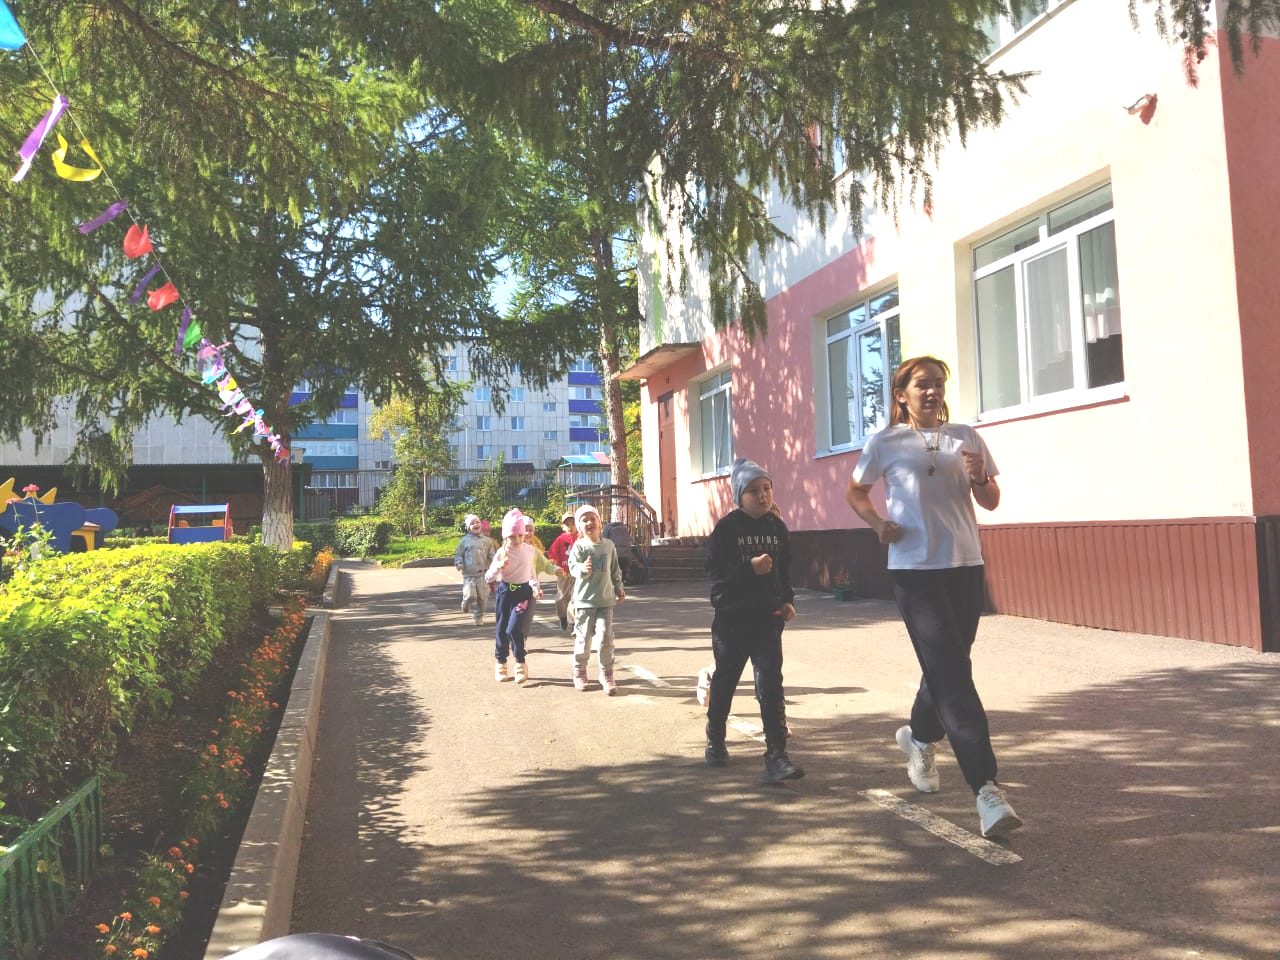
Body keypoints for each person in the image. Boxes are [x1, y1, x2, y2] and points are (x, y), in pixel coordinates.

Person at [845, 354, 1022, 839]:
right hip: (914, 572)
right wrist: (877, 523)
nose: (932, 391)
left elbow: (990, 501)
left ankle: (919, 738)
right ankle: (986, 790)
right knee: (953, 676)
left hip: (965, 566)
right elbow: (856, 491)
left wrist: (980, 475)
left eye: (938, 384)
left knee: (948, 667)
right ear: (901, 394)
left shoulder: (965, 437)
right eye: (922, 384)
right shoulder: (885, 442)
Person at [703, 458, 803, 783]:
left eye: (767, 488)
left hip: (767, 620)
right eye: (754, 491)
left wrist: (787, 600)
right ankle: (715, 739)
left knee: (770, 685)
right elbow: (714, 572)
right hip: (732, 622)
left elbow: (784, 570)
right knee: (725, 682)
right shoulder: (727, 529)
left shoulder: (777, 528)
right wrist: (750, 568)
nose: (762, 496)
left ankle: (777, 756)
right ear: (739, 497)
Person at [567, 504, 625, 694]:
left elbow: (615, 569)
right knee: (583, 639)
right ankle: (579, 671)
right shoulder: (579, 546)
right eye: (584, 520)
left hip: (605, 600)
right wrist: (582, 569)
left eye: (593, 519)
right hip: (584, 601)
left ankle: (607, 674)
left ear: (600, 523)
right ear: (579, 527)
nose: (589, 523)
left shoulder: (608, 545)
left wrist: (619, 587)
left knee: (605, 638)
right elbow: (572, 566)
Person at [485, 508, 543, 684]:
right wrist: (499, 566)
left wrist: (535, 586)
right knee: (502, 630)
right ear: (505, 536)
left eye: (520, 535)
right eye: (512, 536)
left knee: (514, 629)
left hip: (523, 594)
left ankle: (520, 663)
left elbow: (530, 572)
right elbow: (489, 577)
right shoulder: (501, 553)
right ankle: (501, 663)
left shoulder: (529, 550)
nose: (517, 539)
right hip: (505, 593)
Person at [519, 515, 558, 638]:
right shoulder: (511, 549)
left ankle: (521, 641)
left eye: (530, 530)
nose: (528, 533)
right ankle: (512, 638)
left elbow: (546, 565)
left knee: (527, 616)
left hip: (531, 589)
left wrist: (556, 570)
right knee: (515, 616)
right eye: (524, 529)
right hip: (514, 589)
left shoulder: (534, 551)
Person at [453, 514, 496, 627]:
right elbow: (459, 554)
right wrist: (459, 563)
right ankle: (465, 603)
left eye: (477, 522)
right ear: (468, 527)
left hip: (483, 575)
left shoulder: (487, 541)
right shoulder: (464, 541)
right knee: (471, 596)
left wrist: (496, 562)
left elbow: (492, 554)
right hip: (469, 575)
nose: (475, 524)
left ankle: (478, 617)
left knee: (483, 599)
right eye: (472, 523)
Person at [547, 511, 577, 631]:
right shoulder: (561, 539)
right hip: (563, 573)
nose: (570, 527)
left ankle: (573, 623)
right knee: (561, 598)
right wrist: (554, 563)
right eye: (567, 524)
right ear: (563, 527)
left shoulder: (581, 537)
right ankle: (563, 617)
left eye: (573, 523)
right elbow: (553, 553)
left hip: (577, 574)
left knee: (575, 598)